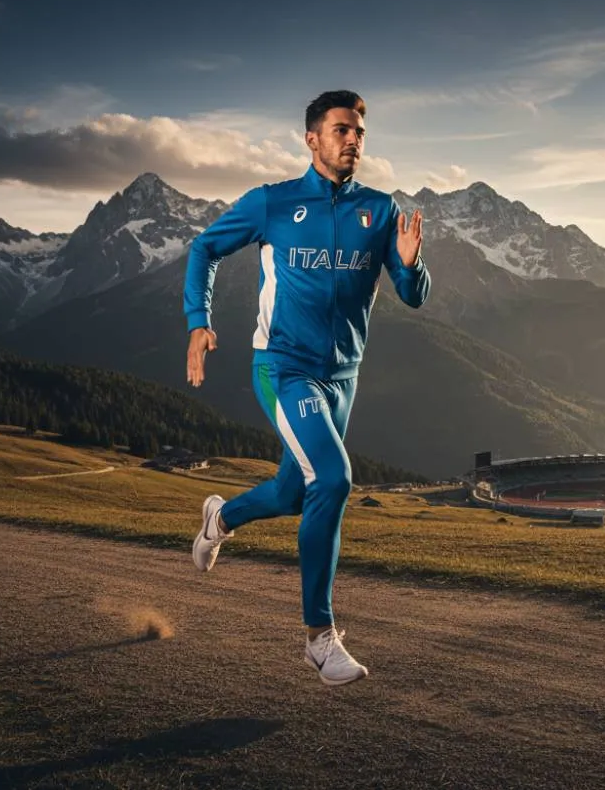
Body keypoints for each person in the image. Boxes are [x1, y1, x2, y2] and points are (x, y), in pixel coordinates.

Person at [182, 89, 430, 686]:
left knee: (296, 492)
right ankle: (320, 638)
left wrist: (410, 262)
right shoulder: (273, 203)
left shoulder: (380, 210)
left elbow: (413, 296)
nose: (354, 140)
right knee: (335, 479)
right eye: (342, 129)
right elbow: (204, 248)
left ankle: (221, 517)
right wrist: (198, 322)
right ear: (312, 139)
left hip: (343, 378)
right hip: (282, 368)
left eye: (359, 131)